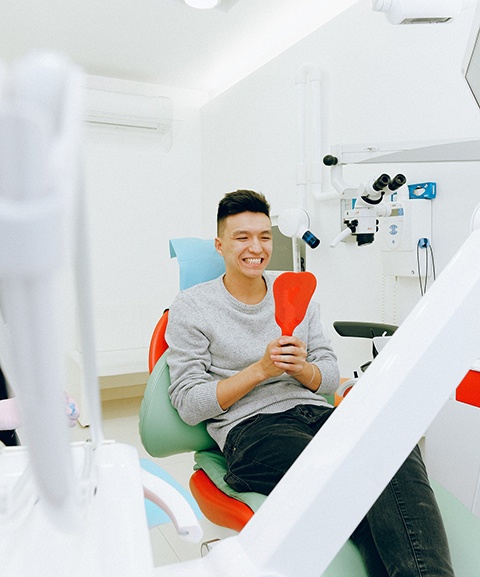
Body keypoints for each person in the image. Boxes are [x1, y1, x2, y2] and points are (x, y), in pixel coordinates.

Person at [166, 189, 455, 577]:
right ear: (220, 244)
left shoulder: (296, 294)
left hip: (317, 413)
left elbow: (328, 376)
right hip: (253, 430)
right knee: (346, 471)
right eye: (242, 237)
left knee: (393, 448)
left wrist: (302, 369)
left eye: (265, 236)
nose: (256, 247)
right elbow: (188, 405)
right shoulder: (192, 306)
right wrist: (260, 370)